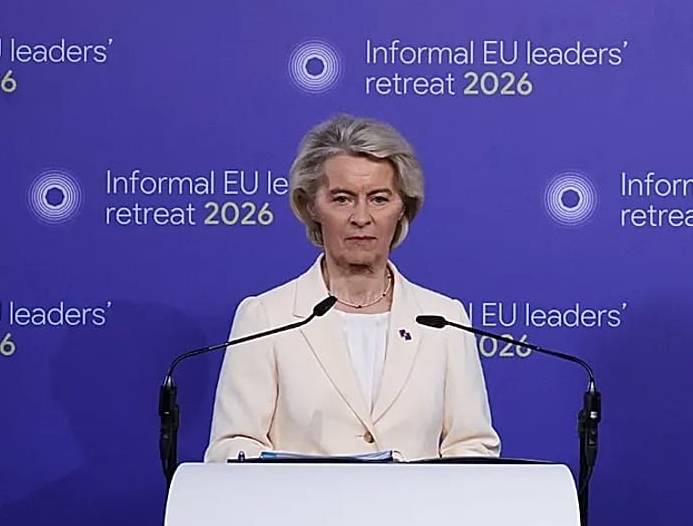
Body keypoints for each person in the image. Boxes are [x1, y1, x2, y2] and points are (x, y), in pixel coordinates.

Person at [204, 114, 501, 462]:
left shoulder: (442, 319)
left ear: (402, 206)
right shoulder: (267, 317)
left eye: (378, 198)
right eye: (343, 199)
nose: (361, 217)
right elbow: (232, 446)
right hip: (300, 514)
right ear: (311, 205)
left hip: (416, 515)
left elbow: (472, 446)